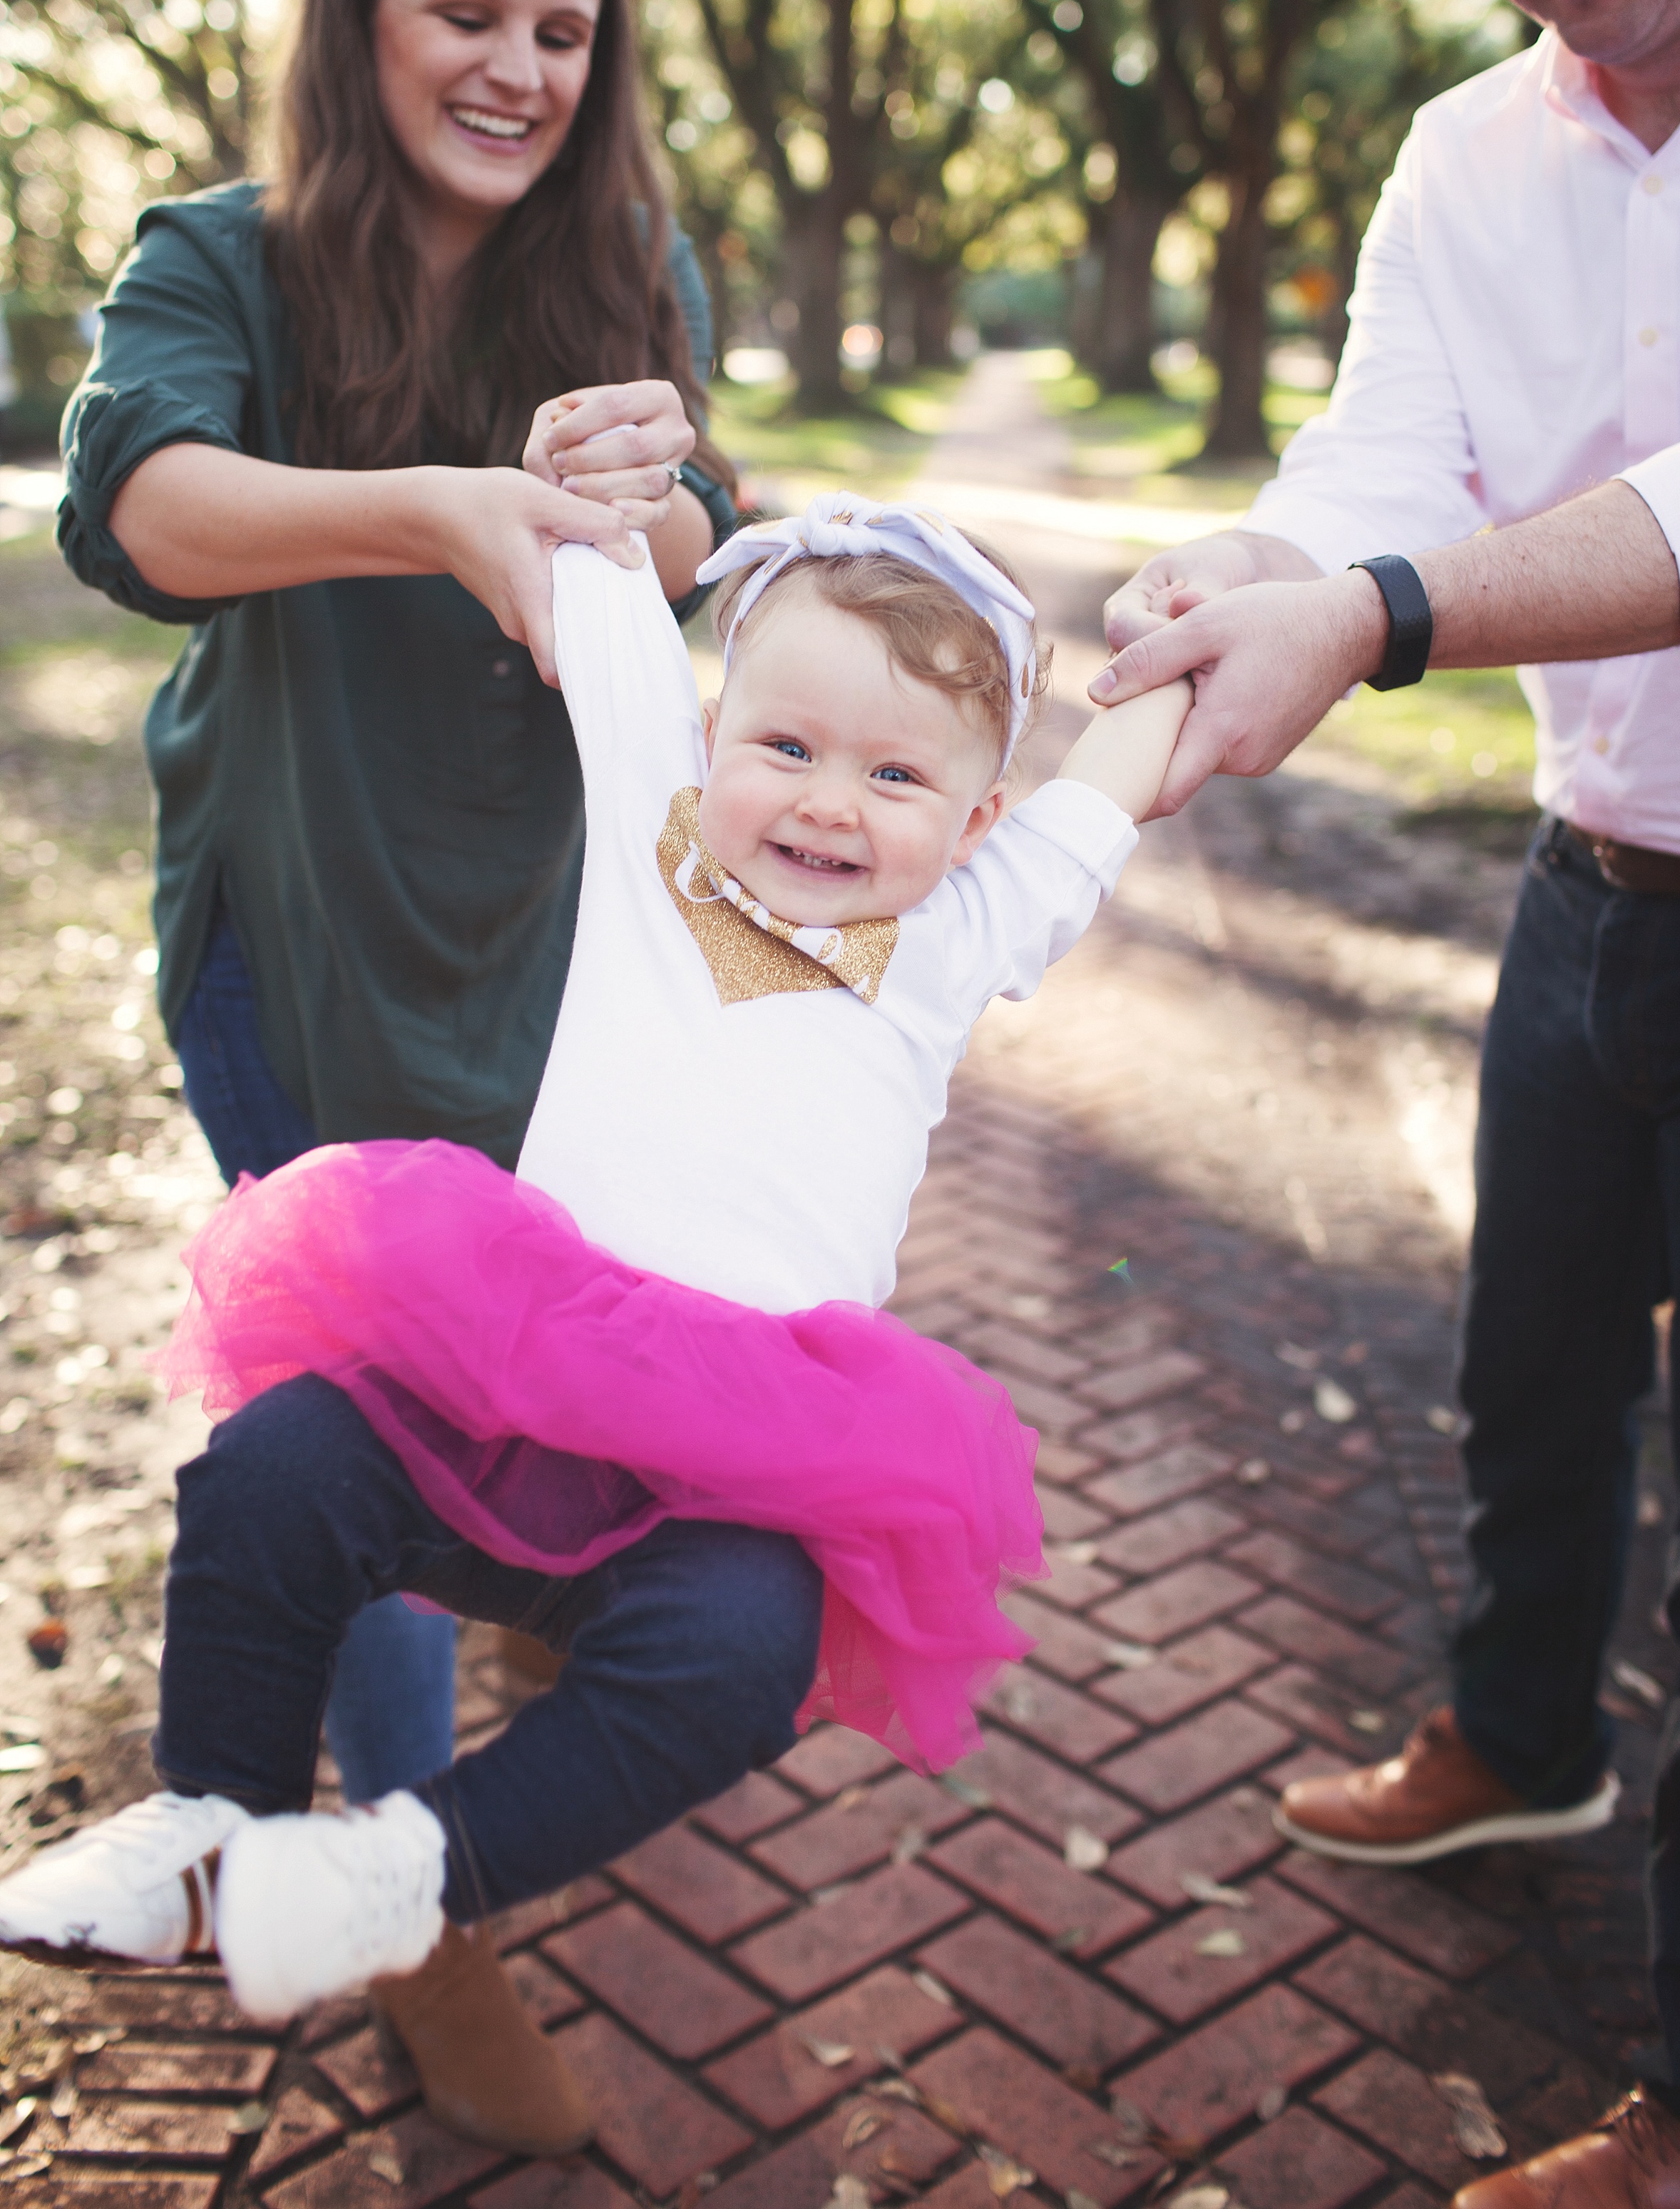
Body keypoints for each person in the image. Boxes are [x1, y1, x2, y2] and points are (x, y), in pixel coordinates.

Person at [0, 499, 1192, 2058]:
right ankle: (207, 1815)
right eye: (788, 745)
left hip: (740, 1461)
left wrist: (1181, 645)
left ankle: (403, 1872)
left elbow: (1106, 793)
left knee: (746, 1651)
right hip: (506, 1375)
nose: (831, 803)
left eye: (898, 776)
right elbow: (610, 591)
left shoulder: (962, 934)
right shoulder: (660, 828)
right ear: (716, 736)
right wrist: (598, 472)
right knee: (273, 1467)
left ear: (976, 824)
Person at [1093, 0, 1680, 2200]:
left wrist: (1375, 620)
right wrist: (1234, 585)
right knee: (1529, 1357)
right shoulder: (1465, 154)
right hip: (1598, 891)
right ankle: (1510, 1732)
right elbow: (1374, 463)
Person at [55, 0, 735, 2146]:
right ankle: (409, 1896)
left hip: (556, 960)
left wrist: (635, 507)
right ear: (361, 19)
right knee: (347, 1433)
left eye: (564, 26)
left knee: (536, 1367)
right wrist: (438, 506)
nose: (520, 67)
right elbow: (141, 507)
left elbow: (694, 534)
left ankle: (492, 1650)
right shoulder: (220, 259)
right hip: (301, 942)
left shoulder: (631, 261)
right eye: (468, 10)